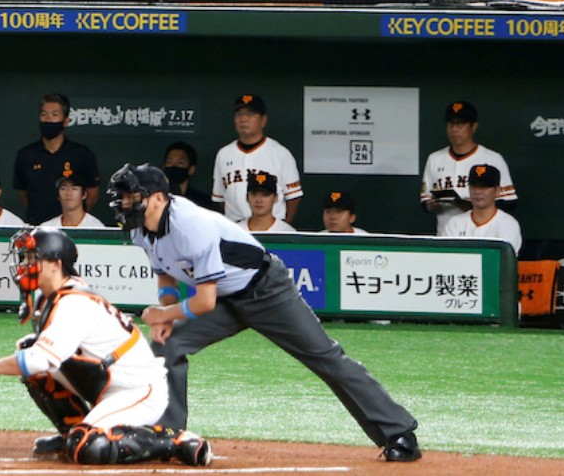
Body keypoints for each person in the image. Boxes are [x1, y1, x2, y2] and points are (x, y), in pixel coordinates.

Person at [106, 164, 422, 463]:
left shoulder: (189, 225)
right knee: (167, 345)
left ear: (158, 198)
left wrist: (165, 314)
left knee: (325, 357)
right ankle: (167, 436)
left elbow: (204, 302)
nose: (124, 202)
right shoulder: (140, 228)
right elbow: (165, 273)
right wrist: (166, 311)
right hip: (226, 299)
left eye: (132, 195)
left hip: (267, 291)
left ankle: (399, 433)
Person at [0, 228, 210, 466]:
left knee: (88, 446)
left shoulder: (74, 303)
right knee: (30, 348)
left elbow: (39, 361)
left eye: (34, 257)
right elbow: (37, 359)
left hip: (139, 391)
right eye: (25, 257)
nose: (25, 264)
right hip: (105, 382)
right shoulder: (51, 296)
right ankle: (71, 430)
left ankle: (175, 440)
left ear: (56, 263)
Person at [421, 101, 516, 234]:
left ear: (474, 127)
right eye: (450, 124)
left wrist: (474, 205)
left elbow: (510, 202)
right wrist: (431, 205)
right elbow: (425, 201)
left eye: (460, 124)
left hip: (485, 234)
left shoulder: (492, 159)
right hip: (445, 234)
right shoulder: (434, 159)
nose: (454, 129)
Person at [210, 94, 301, 224]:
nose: (243, 119)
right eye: (239, 114)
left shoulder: (280, 153)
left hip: (271, 229)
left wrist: (282, 227)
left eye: (250, 114)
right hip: (235, 227)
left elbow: (293, 197)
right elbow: (220, 198)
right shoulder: (224, 154)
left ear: (263, 120)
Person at [12, 93, 99, 224]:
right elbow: (24, 194)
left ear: (66, 121)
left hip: (72, 228)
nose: (48, 119)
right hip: (36, 228)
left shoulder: (82, 154)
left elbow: (92, 195)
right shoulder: (26, 155)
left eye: (54, 115)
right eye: (44, 114)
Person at [439, 164, 522, 252]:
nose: (478, 191)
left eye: (484, 186)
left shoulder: (507, 224)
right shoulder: (455, 223)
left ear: (497, 191)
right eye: (474, 186)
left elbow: (504, 262)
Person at [162, 142, 215, 209]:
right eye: (169, 162)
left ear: (191, 169)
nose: (174, 166)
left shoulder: (203, 201)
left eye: (180, 163)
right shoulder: (156, 199)